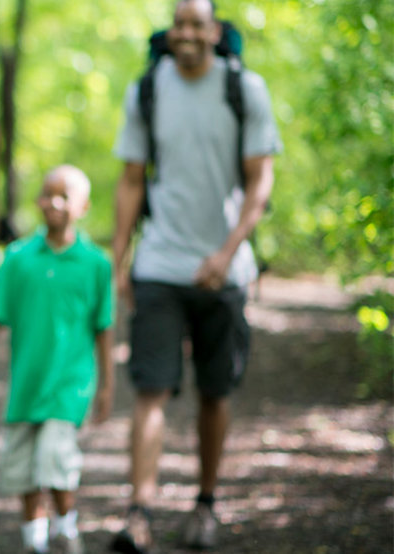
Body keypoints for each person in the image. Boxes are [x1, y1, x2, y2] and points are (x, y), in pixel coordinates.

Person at [109, 1, 282, 552]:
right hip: (160, 262)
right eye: (178, 23)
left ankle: (206, 504)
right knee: (150, 390)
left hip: (226, 271)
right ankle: (138, 512)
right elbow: (132, 180)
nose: (186, 33)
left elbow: (260, 181)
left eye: (196, 23)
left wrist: (228, 253)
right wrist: (120, 260)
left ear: (214, 30)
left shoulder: (245, 89)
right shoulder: (147, 90)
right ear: (170, 31)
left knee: (215, 391)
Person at [0, 165, 115, 554]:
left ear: (84, 206)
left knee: (54, 463)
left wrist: (107, 385)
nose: (54, 203)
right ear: (38, 200)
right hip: (26, 385)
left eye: (65, 196)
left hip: (68, 386)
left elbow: (104, 329)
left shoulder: (96, 264)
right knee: (22, 472)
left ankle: (67, 530)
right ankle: (35, 543)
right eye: (47, 194)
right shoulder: (19, 258)